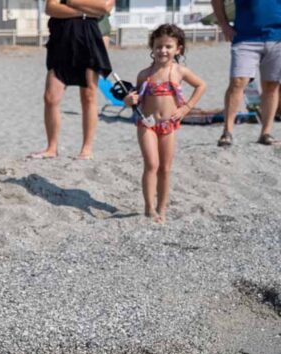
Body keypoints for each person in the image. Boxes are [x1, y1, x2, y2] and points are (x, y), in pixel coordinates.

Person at [124, 25, 205, 223]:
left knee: (165, 168)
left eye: (168, 46)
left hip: (169, 124)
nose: (163, 50)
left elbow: (201, 85)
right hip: (147, 124)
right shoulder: (144, 74)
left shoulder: (179, 71)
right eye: (159, 46)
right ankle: (149, 207)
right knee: (152, 164)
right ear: (152, 48)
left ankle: (162, 208)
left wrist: (186, 108)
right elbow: (137, 99)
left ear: (178, 49)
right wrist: (129, 101)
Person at [28, 0, 113, 161]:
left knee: (88, 95)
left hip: (95, 33)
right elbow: (51, 8)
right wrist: (87, 13)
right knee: (50, 97)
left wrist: (70, 2)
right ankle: (51, 147)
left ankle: (87, 148)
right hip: (62, 35)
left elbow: (104, 6)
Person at [212, 0, 280, 146]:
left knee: (272, 85)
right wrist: (224, 25)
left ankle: (265, 133)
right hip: (245, 37)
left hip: (277, 37)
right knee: (238, 81)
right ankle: (227, 132)